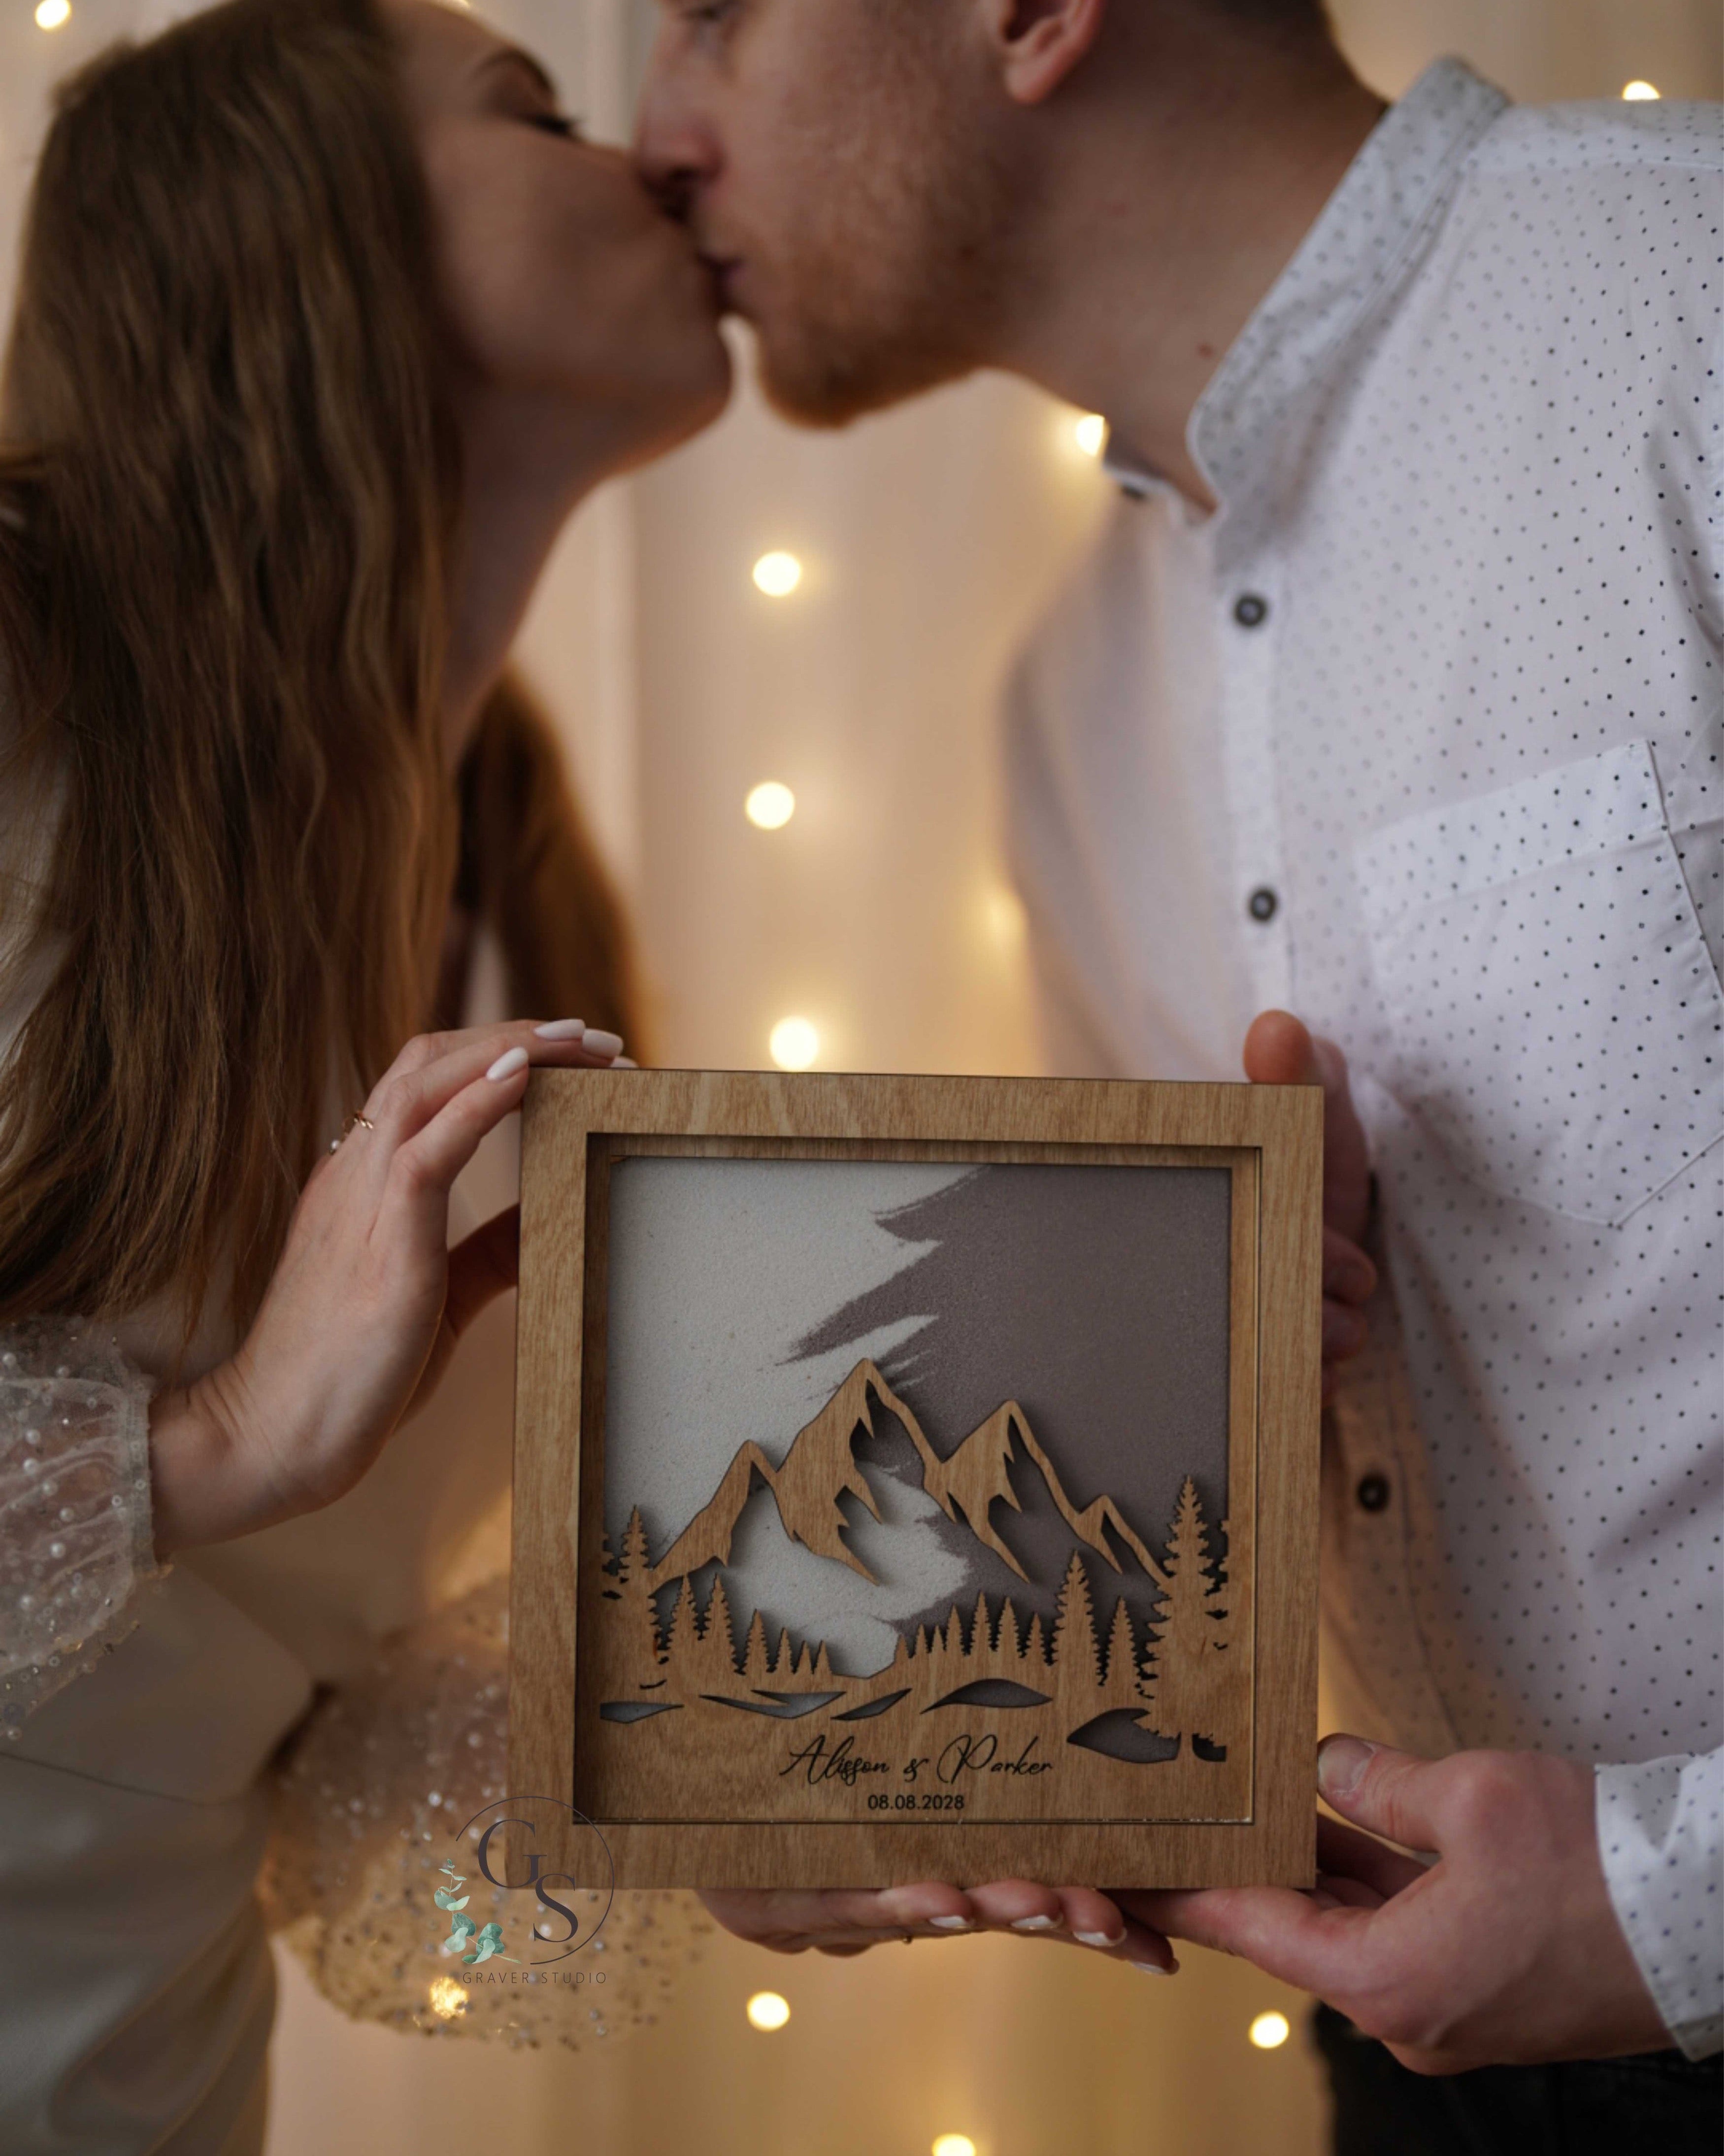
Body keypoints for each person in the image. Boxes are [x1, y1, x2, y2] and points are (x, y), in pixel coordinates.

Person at [633, 0, 1724, 2141]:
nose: (657, 132)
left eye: (712, 16)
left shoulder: (1691, 312)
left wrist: (1683, 1907)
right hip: (1427, 2054)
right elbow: (1135, 1510)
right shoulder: (1060, 703)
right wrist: (809, 1753)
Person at [0, 0, 733, 2145]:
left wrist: (743, 1784)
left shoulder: (509, 869)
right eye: (534, 109)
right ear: (288, 220)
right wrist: (209, 1447)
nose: (648, 157)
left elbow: (288, 1721)